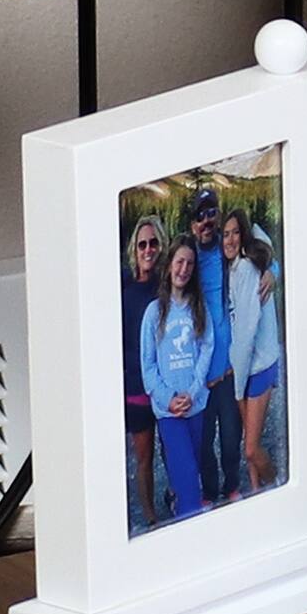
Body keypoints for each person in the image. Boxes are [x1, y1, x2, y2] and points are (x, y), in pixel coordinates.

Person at [138, 232, 217, 521]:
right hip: (169, 413)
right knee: (186, 478)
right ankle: (191, 530)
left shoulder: (199, 309)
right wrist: (168, 399)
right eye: (180, 262)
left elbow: (207, 348)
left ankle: (177, 501)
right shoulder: (154, 313)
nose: (184, 269)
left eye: (190, 264)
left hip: (195, 405)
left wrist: (193, 392)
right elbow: (148, 366)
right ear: (170, 264)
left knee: (191, 470)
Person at [225, 207, 282, 495]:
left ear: (244, 234)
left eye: (236, 232)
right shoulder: (236, 267)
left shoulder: (245, 269)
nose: (231, 239)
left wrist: (237, 386)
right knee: (250, 436)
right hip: (247, 364)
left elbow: (247, 331)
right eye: (226, 234)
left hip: (256, 366)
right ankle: (258, 490)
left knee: (250, 449)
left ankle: (276, 486)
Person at [187, 185, 237, 503]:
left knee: (232, 438)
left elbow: (265, 257)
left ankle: (231, 485)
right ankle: (207, 492)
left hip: (230, 369)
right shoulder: (186, 260)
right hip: (200, 373)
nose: (206, 221)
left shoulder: (230, 247)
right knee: (204, 441)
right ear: (192, 224)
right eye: (199, 216)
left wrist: (271, 274)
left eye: (211, 213)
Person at [120, 213, 165, 531]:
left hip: (169, 381)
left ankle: (178, 497)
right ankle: (150, 517)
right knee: (144, 454)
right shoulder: (121, 286)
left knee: (175, 448)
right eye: (142, 245)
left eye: (153, 243)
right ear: (134, 250)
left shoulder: (168, 284)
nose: (147, 250)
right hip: (136, 384)